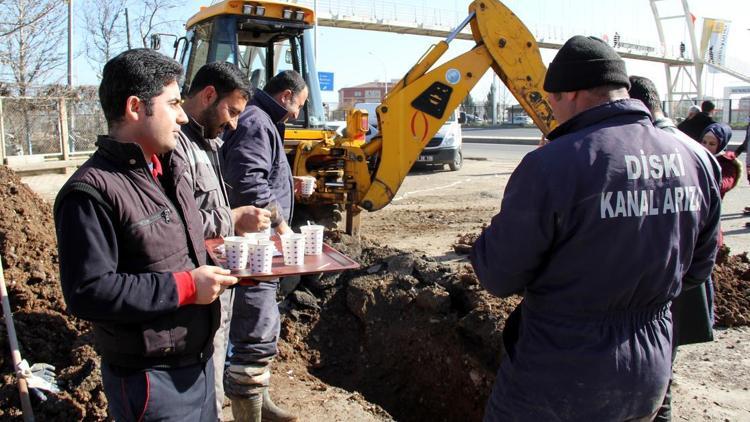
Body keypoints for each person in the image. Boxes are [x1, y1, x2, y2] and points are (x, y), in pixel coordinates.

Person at [470, 36, 721, 421]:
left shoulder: (552, 165)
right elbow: (699, 269)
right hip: (650, 369)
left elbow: (499, 274)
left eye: (551, 99)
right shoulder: (695, 159)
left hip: (557, 375)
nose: (550, 111)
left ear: (571, 93)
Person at [53, 49, 238, 421]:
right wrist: (186, 287)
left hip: (199, 366)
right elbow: (89, 292)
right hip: (151, 382)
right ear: (137, 107)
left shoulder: (171, 169)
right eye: (172, 103)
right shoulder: (91, 192)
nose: (183, 115)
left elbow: (181, 247)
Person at [176, 61, 273, 418]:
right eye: (231, 111)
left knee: (213, 373)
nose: (234, 123)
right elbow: (174, 223)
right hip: (192, 289)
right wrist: (232, 218)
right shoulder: (177, 148)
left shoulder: (206, 142)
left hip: (214, 285)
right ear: (208, 94)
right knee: (200, 388)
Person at [629, 75, 721, 422]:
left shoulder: (640, 148)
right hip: (685, 284)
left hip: (653, 289)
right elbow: (708, 241)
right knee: (664, 376)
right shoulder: (696, 152)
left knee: (653, 382)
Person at [220, 70, 309, 422]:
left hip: (259, 241)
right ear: (286, 95)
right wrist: (282, 226)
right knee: (255, 325)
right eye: (298, 105)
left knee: (262, 322)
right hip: (256, 245)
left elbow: (261, 173)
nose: (297, 114)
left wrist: (289, 180)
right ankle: (249, 414)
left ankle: (261, 401)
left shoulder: (259, 118)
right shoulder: (257, 120)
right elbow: (249, 182)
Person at [700, 123, 741, 199]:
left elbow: (725, 183)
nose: (706, 147)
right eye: (704, 142)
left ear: (721, 144)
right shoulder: (697, 156)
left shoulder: (726, 162)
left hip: (711, 206)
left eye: (712, 144)